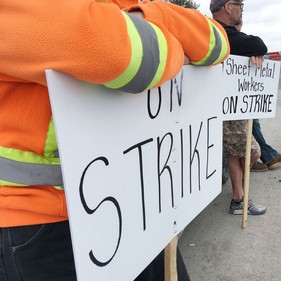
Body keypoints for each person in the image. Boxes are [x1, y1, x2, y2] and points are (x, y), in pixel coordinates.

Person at [0, 1, 230, 280]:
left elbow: (218, 42)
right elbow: (126, 55)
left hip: (132, 198)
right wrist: (180, 47)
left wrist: (150, 15)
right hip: (41, 222)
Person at [211, 0, 267, 215]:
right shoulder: (221, 32)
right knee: (253, 152)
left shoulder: (213, 30)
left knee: (235, 153)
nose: (242, 8)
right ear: (227, 7)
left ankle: (238, 199)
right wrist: (252, 51)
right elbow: (258, 45)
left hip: (227, 107)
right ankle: (240, 195)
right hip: (226, 108)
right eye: (239, 4)